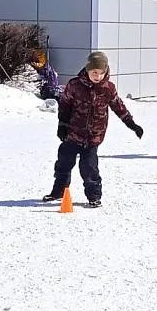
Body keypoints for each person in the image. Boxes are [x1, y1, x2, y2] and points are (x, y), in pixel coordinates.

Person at [43, 51, 143, 209]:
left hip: (93, 137)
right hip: (73, 133)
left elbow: (119, 107)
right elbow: (65, 105)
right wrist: (62, 125)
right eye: (94, 72)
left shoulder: (108, 88)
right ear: (87, 69)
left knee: (89, 168)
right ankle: (58, 191)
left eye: (101, 73)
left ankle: (94, 197)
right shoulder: (74, 85)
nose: (98, 76)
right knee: (63, 163)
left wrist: (132, 124)